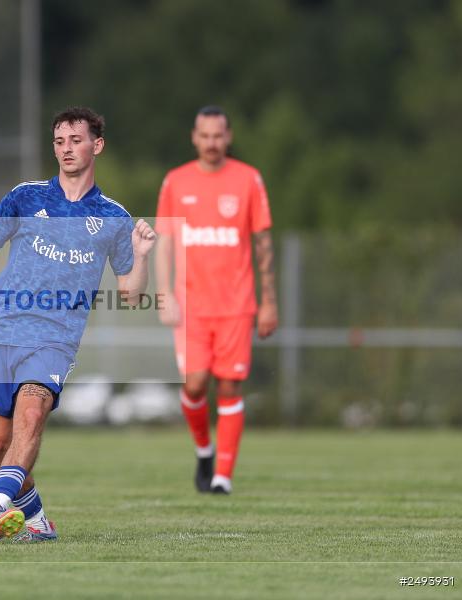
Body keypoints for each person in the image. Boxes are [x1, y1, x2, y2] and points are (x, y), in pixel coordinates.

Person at [0, 106, 156, 543]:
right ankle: (35, 521)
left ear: (97, 145)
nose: (66, 149)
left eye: (75, 140)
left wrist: (143, 255)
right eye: (59, 141)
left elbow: (131, 292)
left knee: (31, 414)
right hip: (1, 330)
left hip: (55, 338)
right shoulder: (25, 196)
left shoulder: (114, 217)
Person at [154, 105, 277, 495]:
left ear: (229, 136)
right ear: (194, 137)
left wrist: (269, 301)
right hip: (191, 306)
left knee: (229, 387)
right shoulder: (175, 182)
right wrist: (164, 295)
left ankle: (222, 476)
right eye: (204, 136)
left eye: (218, 135)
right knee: (194, 385)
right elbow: (165, 244)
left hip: (236, 306)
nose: (211, 143)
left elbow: (263, 244)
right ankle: (204, 450)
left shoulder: (248, 180)